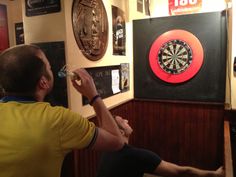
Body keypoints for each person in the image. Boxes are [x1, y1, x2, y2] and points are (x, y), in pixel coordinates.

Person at [0, 44, 125, 177]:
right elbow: (117, 141)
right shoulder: (58, 119)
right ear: (43, 82)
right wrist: (93, 96)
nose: (51, 69)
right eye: (49, 67)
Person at [96, 116, 224, 177]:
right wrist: (214, 174)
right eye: (123, 122)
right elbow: (182, 171)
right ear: (122, 132)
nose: (127, 121)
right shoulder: (137, 156)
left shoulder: (108, 152)